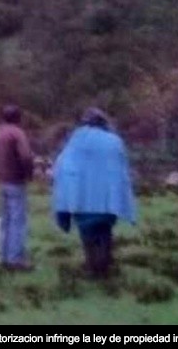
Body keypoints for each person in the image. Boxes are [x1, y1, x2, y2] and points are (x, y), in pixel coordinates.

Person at [51, 107, 137, 278]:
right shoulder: (114, 141)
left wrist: (65, 199)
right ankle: (104, 266)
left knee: (88, 235)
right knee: (104, 232)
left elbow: (63, 165)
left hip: (82, 200)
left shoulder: (76, 140)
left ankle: (93, 267)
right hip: (108, 201)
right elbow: (122, 170)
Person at [0, 104, 35, 271]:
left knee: (5, 220)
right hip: (16, 181)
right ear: (18, 118)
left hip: (2, 181)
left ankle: (3, 256)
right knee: (17, 221)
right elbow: (26, 156)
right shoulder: (17, 133)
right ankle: (15, 259)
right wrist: (29, 173)